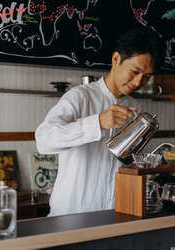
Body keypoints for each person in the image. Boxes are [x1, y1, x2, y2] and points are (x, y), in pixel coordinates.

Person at [35, 26, 165, 216]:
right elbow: (44, 141)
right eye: (135, 71)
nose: (138, 82)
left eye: (146, 77)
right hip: (71, 215)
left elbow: (126, 163)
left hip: (115, 212)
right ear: (116, 59)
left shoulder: (134, 106)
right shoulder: (80, 97)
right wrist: (97, 123)